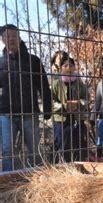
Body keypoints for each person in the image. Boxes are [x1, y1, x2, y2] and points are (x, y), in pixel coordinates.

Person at [0, 24, 52, 171]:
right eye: (7, 36)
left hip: (29, 112)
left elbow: (44, 86)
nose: (11, 39)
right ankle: (8, 181)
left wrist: (47, 109)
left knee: (34, 150)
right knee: (7, 151)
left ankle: (35, 178)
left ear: (20, 38)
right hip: (6, 113)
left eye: (14, 36)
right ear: (2, 39)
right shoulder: (0, 62)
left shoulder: (33, 61)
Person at [51, 56, 89, 162]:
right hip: (61, 119)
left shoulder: (79, 82)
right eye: (65, 65)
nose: (69, 68)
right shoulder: (56, 83)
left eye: (71, 65)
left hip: (77, 118)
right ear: (61, 68)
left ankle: (79, 165)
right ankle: (62, 166)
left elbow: (86, 98)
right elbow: (51, 101)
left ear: (75, 67)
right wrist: (63, 106)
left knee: (78, 144)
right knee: (62, 144)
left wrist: (78, 103)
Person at [92, 59, 103, 159]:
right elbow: (97, 102)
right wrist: (92, 116)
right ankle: (99, 157)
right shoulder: (100, 84)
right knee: (100, 138)